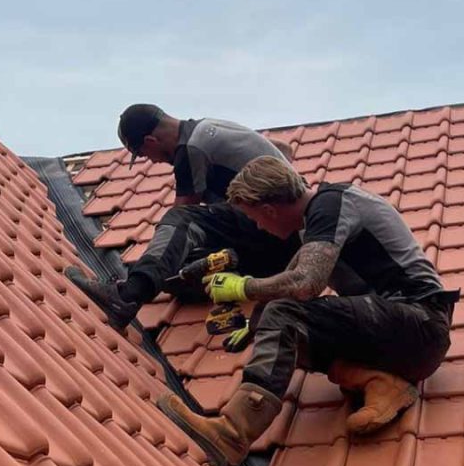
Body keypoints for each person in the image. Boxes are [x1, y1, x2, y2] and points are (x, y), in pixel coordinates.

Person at [158, 156, 459, 466]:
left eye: (256, 218)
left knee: (284, 318)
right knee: (283, 336)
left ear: (269, 209)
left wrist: (243, 287)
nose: (260, 227)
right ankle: (383, 382)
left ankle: (232, 433)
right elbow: (290, 285)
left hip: (421, 322)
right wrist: (254, 326)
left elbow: (306, 283)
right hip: (402, 338)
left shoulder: (331, 206)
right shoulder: (316, 224)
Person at [65, 104, 300, 328]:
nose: (153, 160)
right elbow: (285, 150)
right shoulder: (209, 130)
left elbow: (182, 215)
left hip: (274, 231)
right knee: (179, 278)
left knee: (180, 221)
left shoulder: (191, 149)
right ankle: (232, 274)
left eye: (145, 155)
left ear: (150, 141)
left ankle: (128, 295)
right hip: (283, 247)